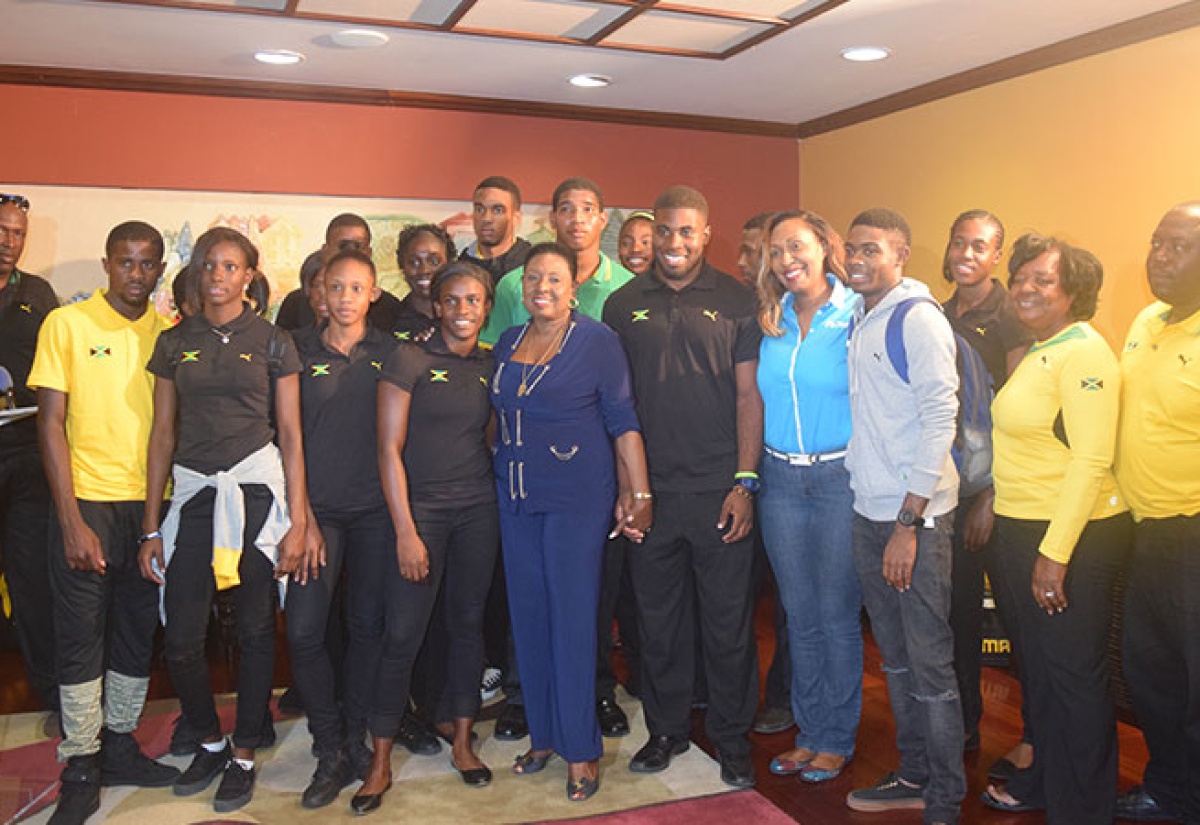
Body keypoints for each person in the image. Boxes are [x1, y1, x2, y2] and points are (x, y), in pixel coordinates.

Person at [139, 226, 315, 813]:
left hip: (257, 494)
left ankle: (243, 754)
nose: (217, 276)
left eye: (229, 266)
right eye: (208, 265)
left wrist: (301, 517)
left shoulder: (273, 341)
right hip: (193, 495)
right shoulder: (172, 343)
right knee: (184, 637)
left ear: (248, 275)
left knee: (257, 629)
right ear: (195, 273)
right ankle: (209, 740)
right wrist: (150, 525)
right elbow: (161, 434)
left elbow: (290, 434)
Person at [603, 185, 762, 790]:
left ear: (705, 233)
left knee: (728, 624)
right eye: (664, 231)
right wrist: (629, 491)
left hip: (721, 491)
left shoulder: (738, 300)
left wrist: (745, 484)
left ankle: (730, 737)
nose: (673, 243)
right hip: (651, 495)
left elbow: (750, 396)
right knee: (657, 624)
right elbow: (615, 407)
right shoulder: (621, 304)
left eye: (686, 232)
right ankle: (666, 731)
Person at [30, 221, 180, 825]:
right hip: (86, 505)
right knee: (80, 638)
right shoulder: (65, 324)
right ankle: (81, 761)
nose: (136, 275)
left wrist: (155, 523)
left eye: (148, 265)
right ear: (106, 264)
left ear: (161, 270)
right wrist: (69, 520)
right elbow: (47, 424)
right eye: (126, 263)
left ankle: (118, 744)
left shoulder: (168, 335)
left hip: (149, 510)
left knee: (134, 635)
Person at [493, 242, 651, 802]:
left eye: (555, 279)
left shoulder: (597, 341)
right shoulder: (509, 341)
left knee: (573, 621)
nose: (543, 287)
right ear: (521, 285)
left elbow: (622, 419)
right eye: (534, 277)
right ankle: (543, 736)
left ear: (573, 288)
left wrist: (638, 491)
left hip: (576, 497)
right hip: (514, 497)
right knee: (529, 620)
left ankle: (580, 749)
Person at [981, 234, 1130, 823]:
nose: (1025, 288)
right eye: (1021, 277)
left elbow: (1091, 460)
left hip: (1069, 537)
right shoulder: (1045, 347)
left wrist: (1055, 553)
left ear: (1075, 293)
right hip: (1022, 529)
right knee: (1040, 673)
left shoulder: (1085, 354)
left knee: (1074, 678)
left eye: (1043, 279)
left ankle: (1086, 807)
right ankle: (1046, 781)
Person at [350, 260, 499, 813]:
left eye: (474, 300)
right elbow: (388, 450)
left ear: (486, 307)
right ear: (437, 307)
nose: (463, 310)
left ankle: (462, 742)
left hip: (478, 512)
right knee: (402, 635)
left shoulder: (489, 362)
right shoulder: (408, 357)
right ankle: (380, 760)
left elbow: (487, 438)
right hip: (423, 517)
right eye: (453, 300)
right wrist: (406, 531)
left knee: (466, 626)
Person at [840, 208, 965, 825]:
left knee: (929, 664)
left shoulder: (918, 320)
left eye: (871, 249)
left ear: (900, 253)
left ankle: (945, 799)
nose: (857, 259)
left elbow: (941, 422)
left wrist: (907, 526)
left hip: (914, 522)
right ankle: (914, 773)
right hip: (868, 513)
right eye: (851, 249)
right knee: (893, 658)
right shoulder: (861, 319)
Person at [288, 249, 397, 808]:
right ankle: (326, 745)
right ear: (320, 294)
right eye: (337, 287)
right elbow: (287, 439)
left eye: (358, 287)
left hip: (378, 512)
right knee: (304, 631)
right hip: (317, 514)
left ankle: (354, 738)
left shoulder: (392, 352)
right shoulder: (297, 350)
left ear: (373, 293)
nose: (347, 297)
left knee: (368, 628)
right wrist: (299, 516)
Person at [755, 210, 860, 783]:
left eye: (796, 246)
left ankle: (836, 737)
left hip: (838, 481)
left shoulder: (856, 312)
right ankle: (809, 730)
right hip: (780, 483)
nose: (786, 259)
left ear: (823, 247)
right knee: (798, 615)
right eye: (776, 251)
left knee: (836, 614)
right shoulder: (770, 319)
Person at [1115, 202, 1200, 825]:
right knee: (1153, 676)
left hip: (1193, 532)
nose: (1161, 257)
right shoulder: (1147, 320)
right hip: (1142, 533)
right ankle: (1171, 791)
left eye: (1179, 246)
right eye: (1156, 243)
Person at [938, 210, 1034, 760]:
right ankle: (964, 726)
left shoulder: (1011, 317)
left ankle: (1034, 739)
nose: (966, 255)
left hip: (1000, 497)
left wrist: (992, 499)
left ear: (995, 255)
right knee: (959, 617)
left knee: (1020, 624)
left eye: (979, 246)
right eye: (959, 244)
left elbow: (1016, 415)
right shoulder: (938, 311)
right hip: (952, 490)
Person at [0, 192, 60, 728]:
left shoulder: (39, 295)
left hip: (24, 458)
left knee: (33, 582)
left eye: (17, 233)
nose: (8, 241)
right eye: (2, 230)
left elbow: (59, 373)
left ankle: (55, 695)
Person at [737, 208, 794, 737]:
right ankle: (732, 693)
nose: (745, 261)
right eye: (750, 251)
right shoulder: (738, 311)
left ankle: (784, 695)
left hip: (795, 477)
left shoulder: (799, 314)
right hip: (744, 474)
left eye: (757, 251)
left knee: (789, 599)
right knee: (740, 591)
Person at [481, 177, 633, 346]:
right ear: (552, 219)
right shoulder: (513, 285)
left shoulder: (628, 287)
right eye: (566, 209)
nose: (577, 219)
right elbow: (492, 353)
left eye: (588, 209)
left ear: (602, 219)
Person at [275, 213, 402, 331]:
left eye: (357, 246)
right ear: (326, 250)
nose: (349, 254)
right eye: (342, 246)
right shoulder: (297, 302)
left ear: (368, 253)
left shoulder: (387, 307)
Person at [459, 176, 532, 287]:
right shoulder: (460, 267)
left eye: (498, 210)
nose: (486, 218)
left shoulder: (531, 264)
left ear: (516, 218)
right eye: (480, 209)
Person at [392, 223, 456, 341]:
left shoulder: (461, 316)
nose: (424, 270)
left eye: (434, 261)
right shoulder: (390, 320)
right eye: (414, 262)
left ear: (449, 264)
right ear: (402, 265)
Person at [617, 211, 654, 276]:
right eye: (627, 243)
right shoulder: (612, 284)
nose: (635, 249)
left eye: (645, 243)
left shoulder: (673, 284)